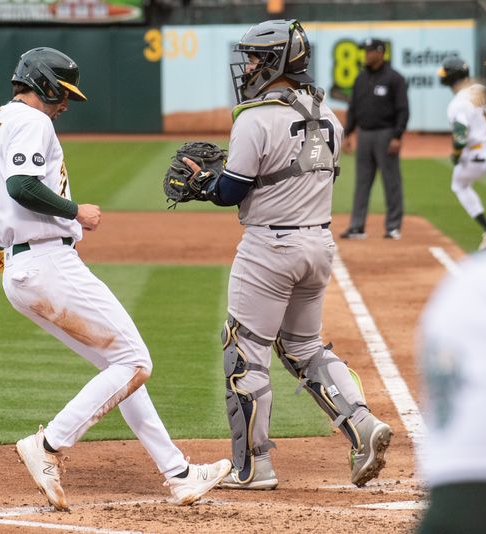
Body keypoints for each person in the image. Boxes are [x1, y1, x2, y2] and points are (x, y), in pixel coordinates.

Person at [0, 47, 231, 511]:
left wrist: (0, 261)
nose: (65, 104)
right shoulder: (32, 122)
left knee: (118, 365)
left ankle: (180, 475)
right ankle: (49, 444)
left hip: (24, 271)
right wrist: (74, 211)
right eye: (62, 93)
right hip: (49, 264)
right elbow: (23, 186)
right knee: (135, 361)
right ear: (41, 83)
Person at [180, 19, 392, 489]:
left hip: (269, 248)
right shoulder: (328, 114)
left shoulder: (255, 116)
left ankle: (253, 467)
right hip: (318, 244)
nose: (249, 65)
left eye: (256, 57)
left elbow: (231, 189)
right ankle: (362, 425)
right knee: (303, 346)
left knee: (245, 353)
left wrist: (201, 185)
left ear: (276, 60)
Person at [417, 6, 486, 532]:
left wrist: (459, 157)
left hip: (478, 154)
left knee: (461, 183)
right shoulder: (478, 91)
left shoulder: (483, 298)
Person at [438, 56, 486, 250]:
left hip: (480, 155)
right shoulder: (484, 90)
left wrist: (455, 155)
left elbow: (460, 134)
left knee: (459, 184)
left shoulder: (456, 103)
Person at [340, 38, 409, 241]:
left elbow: (403, 110)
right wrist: (348, 134)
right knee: (362, 182)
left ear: (380, 53)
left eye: (369, 51)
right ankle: (357, 226)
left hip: (386, 134)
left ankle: (393, 227)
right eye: (366, 51)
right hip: (365, 135)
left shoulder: (395, 78)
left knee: (391, 182)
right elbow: (353, 109)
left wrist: (397, 136)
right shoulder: (361, 78)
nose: (366, 55)